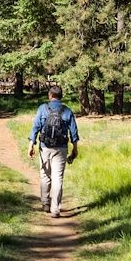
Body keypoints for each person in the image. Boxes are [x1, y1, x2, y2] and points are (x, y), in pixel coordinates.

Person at [28, 85, 80, 218]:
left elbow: (35, 127)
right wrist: (75, 149)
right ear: (61, 96)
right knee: (58, 177)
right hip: (61, 148)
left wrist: (31, 144)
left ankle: (45, 203)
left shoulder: (42, 108)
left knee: (45, 175)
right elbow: (73, 132)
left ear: (50, 95)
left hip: (45, 147)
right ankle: (55, 208)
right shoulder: (67, 111)